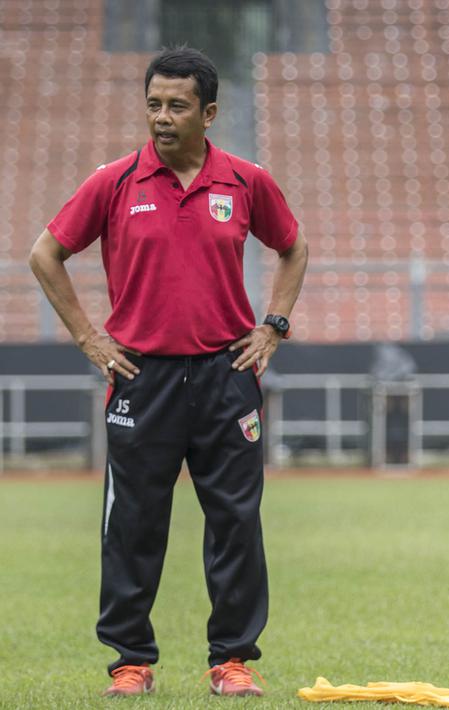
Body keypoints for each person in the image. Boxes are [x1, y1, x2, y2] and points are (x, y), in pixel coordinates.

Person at [28, 46, 308, 697]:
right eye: (153, 103)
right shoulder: (114, 182)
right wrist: (89, 339)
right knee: (133, 522)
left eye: (177, 105)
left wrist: (274, 326)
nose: (161, 116)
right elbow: (46, 254)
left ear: (208, 112)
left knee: (235, 519)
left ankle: (232, 660)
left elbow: (293, 247)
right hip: (141, 377)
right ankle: (131, 661)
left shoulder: (246, 182)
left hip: (225, 374)